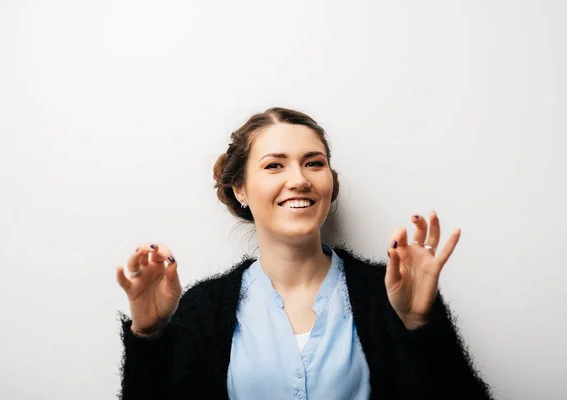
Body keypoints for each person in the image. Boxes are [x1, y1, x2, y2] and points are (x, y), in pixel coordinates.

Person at [116, 107, 494, 399]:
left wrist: (420, 326)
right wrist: (148, 337)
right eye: (274, 165)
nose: (299, 179)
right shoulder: (202, 310)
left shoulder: (387, 296)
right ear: (240, 189)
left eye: (314, 163)